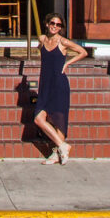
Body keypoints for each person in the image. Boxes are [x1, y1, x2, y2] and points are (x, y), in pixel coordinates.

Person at [32, 12, 88, 164]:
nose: (54, 27)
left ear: (61, 27)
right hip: (45, 83)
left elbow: (83, 52)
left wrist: (68, 63)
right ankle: (63, 146)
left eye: (58, 25)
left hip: (59, 84)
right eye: (52, 23)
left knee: (59, 119)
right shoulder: (42, 39)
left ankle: (56, 154)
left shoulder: (63, 42)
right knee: (38, 118)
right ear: (47, 24)